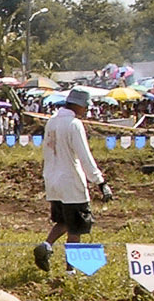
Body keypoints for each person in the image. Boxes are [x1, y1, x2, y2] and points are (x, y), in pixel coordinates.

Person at [35, 86, 112, 272]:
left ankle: (46, 245)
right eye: (85, 107)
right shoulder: (74, 124)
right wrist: (100, 182)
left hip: (53, 180)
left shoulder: (51, 122)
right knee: (76, 228)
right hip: (71, 181)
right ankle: (71, 270)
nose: (85, 110)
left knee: (63, 221)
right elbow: (84, 156)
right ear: (78, 106)